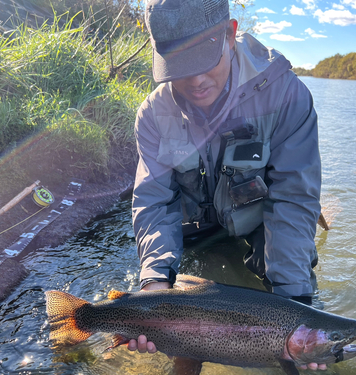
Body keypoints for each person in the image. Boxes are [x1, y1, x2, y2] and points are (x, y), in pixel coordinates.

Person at [128, 0, 325, 371]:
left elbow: (293, 201)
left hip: (260, 222)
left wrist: (295, 306)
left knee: (298, 318)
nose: (196, 80)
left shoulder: (286, 95)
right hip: (197, 228)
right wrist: (154, 281)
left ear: (231, 34)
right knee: (185, 347)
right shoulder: (152, 116)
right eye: (180, 67)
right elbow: (154, 203)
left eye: (204, 60)